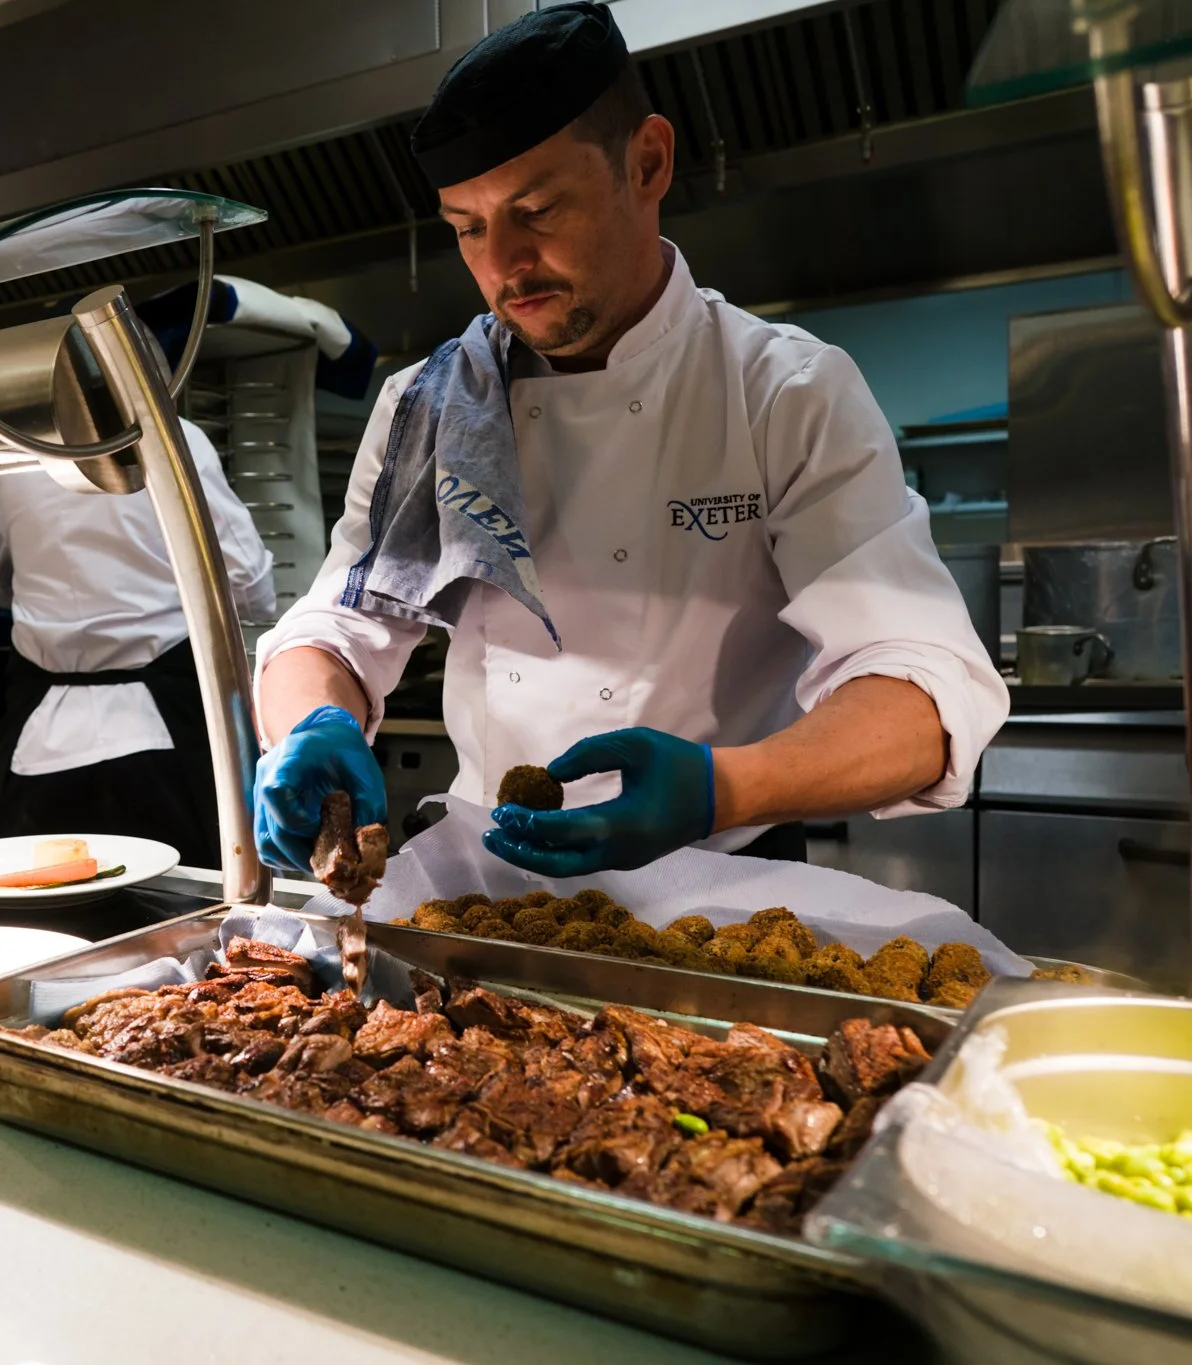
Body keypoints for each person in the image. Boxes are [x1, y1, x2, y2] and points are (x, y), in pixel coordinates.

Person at [251, 3, 1007, 879]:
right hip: (487, 879)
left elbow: (922, 689)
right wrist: (314, 723)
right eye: (467, 227)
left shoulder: (782, 389)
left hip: (721, 880)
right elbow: (339, 627)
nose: (504, 264)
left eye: (536, 209)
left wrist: (722, 786)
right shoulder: (430, 404)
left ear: (647, 162)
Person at [0, 419, 275, 866]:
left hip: (37, 752)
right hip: (165, 745)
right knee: (185, 914)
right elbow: (254, 591)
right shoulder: (175, 435)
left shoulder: (15, 452)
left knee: (40, 911)